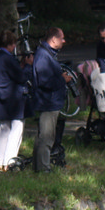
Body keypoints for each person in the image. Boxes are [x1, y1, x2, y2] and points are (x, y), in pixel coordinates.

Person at [32, 27, 72, 174]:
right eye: (62, 38)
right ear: (54, 40)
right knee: (46, 137)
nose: (64, 41)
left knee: (43, 136)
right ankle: (43, 168)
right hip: (48, 102)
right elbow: (44, 81)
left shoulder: (46, 54)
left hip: (50, 101)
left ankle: (38, 166)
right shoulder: (44, 56)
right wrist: (62, 80)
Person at [0, 29, 31, 172]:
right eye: (13, 44)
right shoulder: (8, 58)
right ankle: (10, 161)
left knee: (4, 128)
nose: (14, 47)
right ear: (10, 44)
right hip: (13, 98)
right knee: (17, 128)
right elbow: (21, 77)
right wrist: (27, 66)